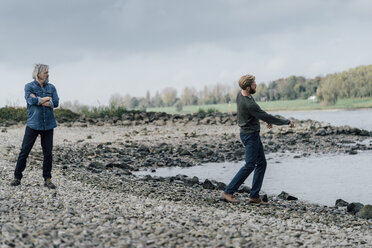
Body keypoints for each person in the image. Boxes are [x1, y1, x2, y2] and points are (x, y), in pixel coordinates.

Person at [220, 75, 294, 204]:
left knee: (262, 164)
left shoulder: (242, 94)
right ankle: (228, 192)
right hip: (250, 136)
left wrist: (264, 119)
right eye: (254, 84)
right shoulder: (248, 103)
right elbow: (264, 114)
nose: (256, 85)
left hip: (250, 133)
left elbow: (257, 114)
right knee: (249, 165)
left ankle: (254, 196)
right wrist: (286, 122)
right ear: (248, 87)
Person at [10, 64, 59, 189]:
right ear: (38, 74)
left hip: (48, 125)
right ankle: (17, 177)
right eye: (46, 72)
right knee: (24, 152)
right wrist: (46, 99)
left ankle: (47, 179)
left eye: (48, 72)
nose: (48, 74)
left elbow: (56, 103)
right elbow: (31, 101)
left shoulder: (51, 87)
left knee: (48, 154)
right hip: (33, 124)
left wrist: (39, 100)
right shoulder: (29, 86)